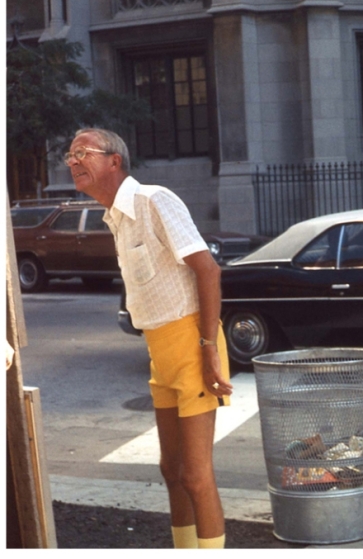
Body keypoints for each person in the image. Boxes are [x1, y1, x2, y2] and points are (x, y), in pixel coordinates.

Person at [66, 128, 233, 549]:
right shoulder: (115, 216)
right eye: (70, 155)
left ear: (114, 161)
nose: (73, 161)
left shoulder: (153, 200)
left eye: (82, 152)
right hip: (160, 350)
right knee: (171, 471)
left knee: (196, 475)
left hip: (192, 343)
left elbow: (208, 271)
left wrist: (208, 350)